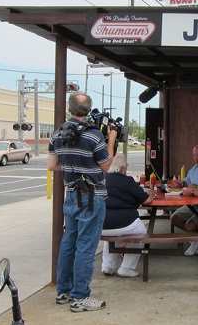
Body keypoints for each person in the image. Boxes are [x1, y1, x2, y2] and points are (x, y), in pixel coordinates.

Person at [48, 92, 117, 313]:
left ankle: (63, 291)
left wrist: (72, 168)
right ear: (88, 109)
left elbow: (52, 165)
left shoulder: (58, 132)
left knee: (69, 242)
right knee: (86, 246)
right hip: (91, 195)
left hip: (71, 194)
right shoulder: (94, 135)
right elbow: (106, 166)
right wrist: (112, 139)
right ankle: (81, 297)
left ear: (70, 109)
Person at [100, 153, 153, 277]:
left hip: (102, 224)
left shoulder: (102, 179)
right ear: (123, 168)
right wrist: (150, 192)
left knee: (112, 235)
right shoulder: (127, 180)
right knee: (141, 233)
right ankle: (127, 268)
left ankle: (107, 266)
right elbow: (146, 200)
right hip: (125, 222)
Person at [171, 144, 198, 256]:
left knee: (190, 225)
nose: (195, 158)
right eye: (194, 155)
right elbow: (187, 180)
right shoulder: (195, 168)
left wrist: (196, 187)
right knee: (174, 218)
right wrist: (181, 183)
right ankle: (197, 240)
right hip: (193, 203)